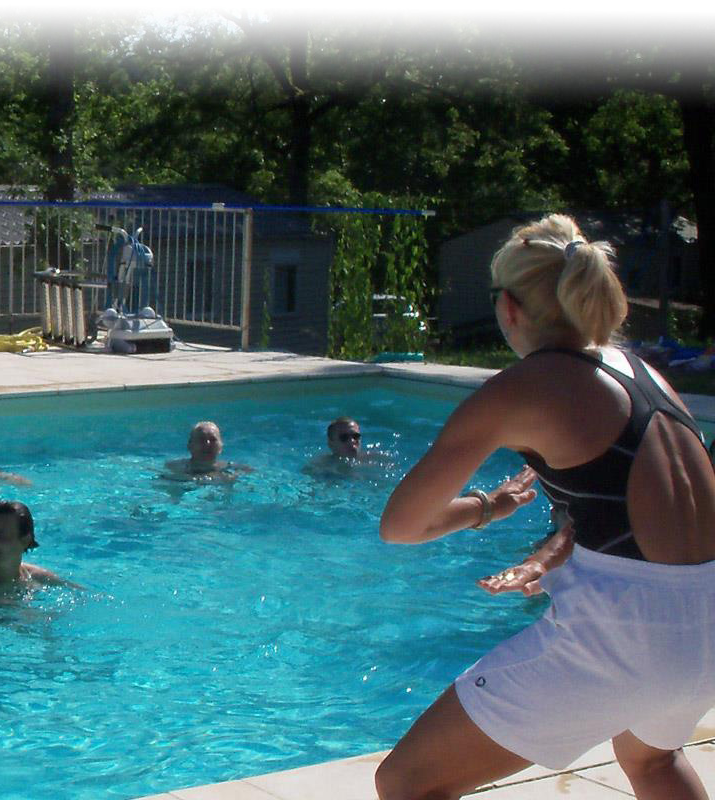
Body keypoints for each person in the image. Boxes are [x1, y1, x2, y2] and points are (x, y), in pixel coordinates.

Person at [376, 214, 715, 800]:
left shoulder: (526, 385)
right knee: (653, 763)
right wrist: (555, 550)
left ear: (509, 307)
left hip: (627, 635)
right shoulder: (646, 375)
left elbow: (403, 525)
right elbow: (636, 508)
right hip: (705, 628)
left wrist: (489, 505)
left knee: (407, 782)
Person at [304, 417, 395, 477]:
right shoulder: (319, 467)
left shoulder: (377, 460)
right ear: (331, 444)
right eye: (344, 437)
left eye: (356, 437)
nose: (352, 441)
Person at [163, 421, 251, 483]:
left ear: (221, 446)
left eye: (213, 439)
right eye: (201, 439)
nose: (207, 444)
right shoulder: (173, 468)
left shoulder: (236, 469)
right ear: (190, 446)